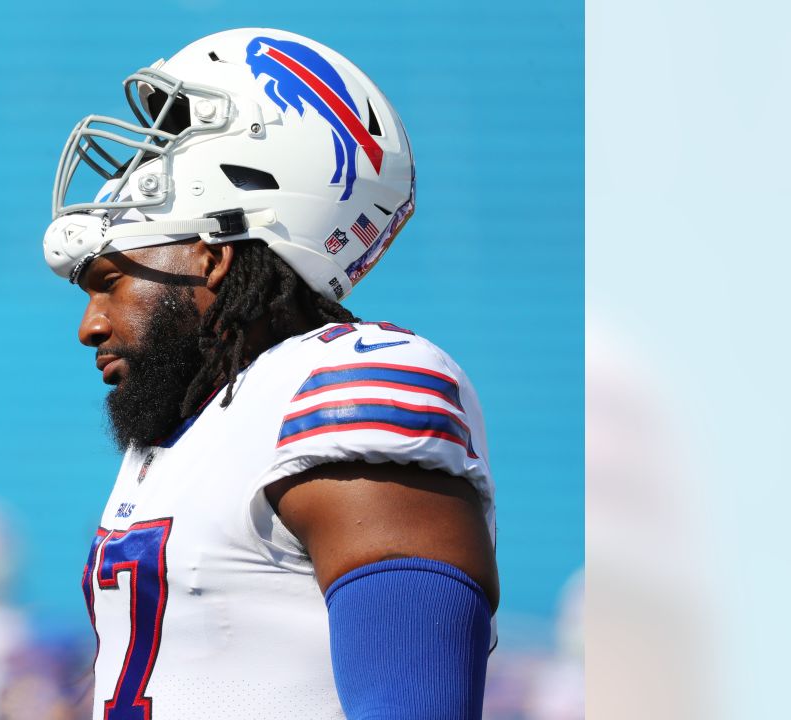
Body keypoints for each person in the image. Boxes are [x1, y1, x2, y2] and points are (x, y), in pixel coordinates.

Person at [41, 28, 498, 720]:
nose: (91, 325)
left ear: (210, 257)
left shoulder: (342, 386)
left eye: (110, 281)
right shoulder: (187, 439)